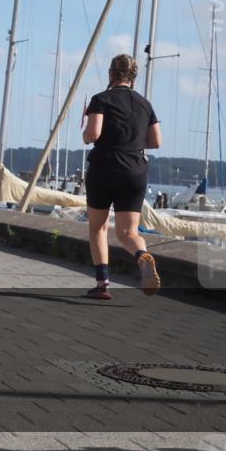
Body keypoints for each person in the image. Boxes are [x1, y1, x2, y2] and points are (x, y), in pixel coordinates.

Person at [81, 54, 162, 300]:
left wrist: (85, 134)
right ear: (133, 76)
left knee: (98, 227)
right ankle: (142, 257)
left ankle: (102, 284)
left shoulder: (101, 99)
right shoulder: (145, 104)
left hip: (105, 167)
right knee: (128, 232)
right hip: (135, 169)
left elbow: (93, 134)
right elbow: (156, 141)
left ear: (111, 73)